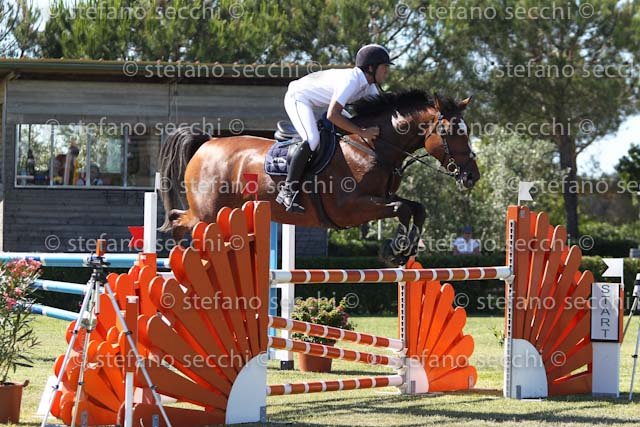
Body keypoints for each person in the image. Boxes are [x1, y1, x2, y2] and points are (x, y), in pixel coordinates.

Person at [276, 44, 393, 213]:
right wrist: (362, 132)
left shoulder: (370, 87)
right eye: (384, 67)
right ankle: (288, 190)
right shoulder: (352, 80)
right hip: (299, 98)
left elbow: (382, 114)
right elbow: (333, 115)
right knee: (312, 140)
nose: (387, 71)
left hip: (323, 104)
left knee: (349, 128)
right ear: (371, 68)